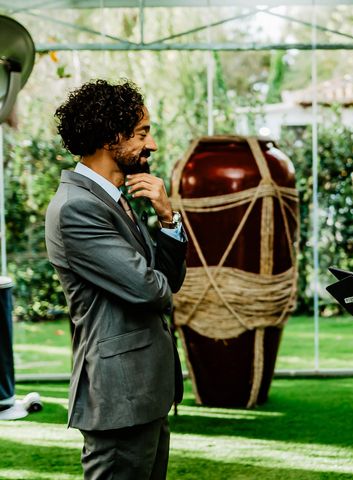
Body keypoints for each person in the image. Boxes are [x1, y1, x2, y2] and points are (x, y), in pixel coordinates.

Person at [45, 79, 187, 480]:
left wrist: (167, 218)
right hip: (119, 398)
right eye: (143, 133)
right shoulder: (77, 208)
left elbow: (169, 281)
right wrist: (157, 280)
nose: (152, 145)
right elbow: (152, 290)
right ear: (111, 137)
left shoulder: (115, 199)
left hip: (144, 392)